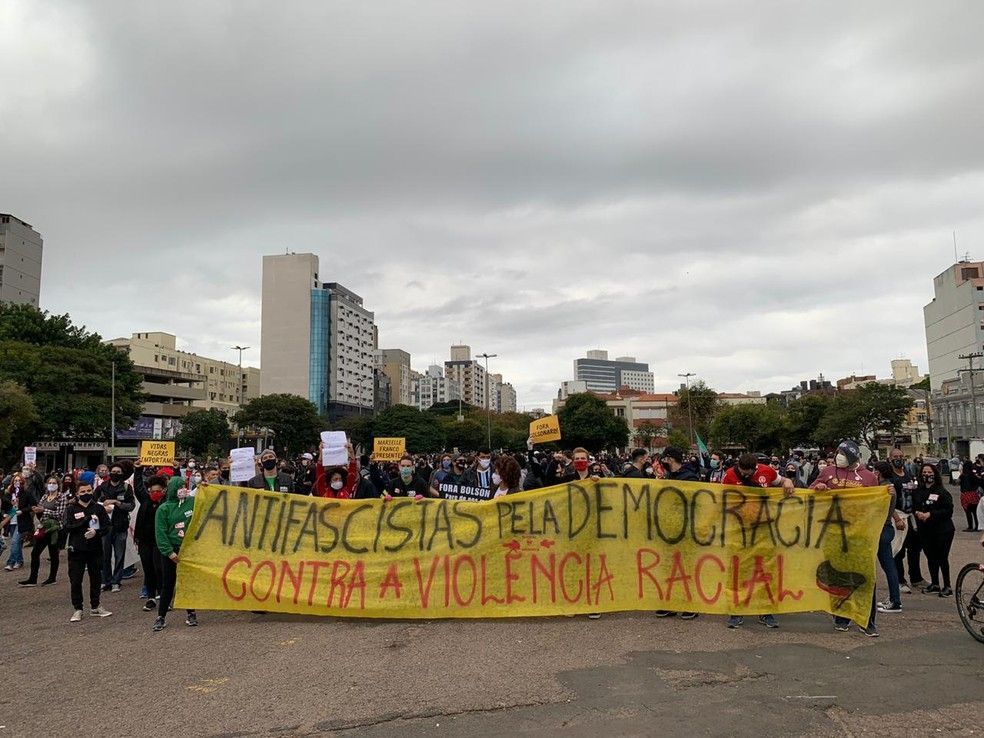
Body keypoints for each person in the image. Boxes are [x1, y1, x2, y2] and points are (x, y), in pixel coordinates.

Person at [811, 442, 894, 636]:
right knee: (837, 576)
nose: (838, 456)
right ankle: (841, 616)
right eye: (837, 453)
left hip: (860, 535)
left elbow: (877, 505)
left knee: (865, 576)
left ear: (852, 456)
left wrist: (888, 496)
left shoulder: (869, 477)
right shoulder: (828, 472)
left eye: (842, 453)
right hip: (833, 533)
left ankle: (867, 620)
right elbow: (811, 489)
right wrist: (819, 486)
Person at [721, 453, 796, 629]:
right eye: (743, 472)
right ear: (738, 467)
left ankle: (765, 611)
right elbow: (722, 500)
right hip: (740, 531)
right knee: (738, 570)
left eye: (749, 473)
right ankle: (736, 610)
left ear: (755, 468)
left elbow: (782, 480)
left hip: (764, 530)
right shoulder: (730, 475)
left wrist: (788, 482)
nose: (746, 475)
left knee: (765, 569)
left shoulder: (767, 471)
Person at [655, 447, 699, 620]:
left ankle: (689, 604)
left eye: (664, 459)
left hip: (685, 529)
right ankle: (670, 603)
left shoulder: (690, 477)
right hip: (669, 529)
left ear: (670, 459)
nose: (661, 462)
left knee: (686, 566)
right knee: (668, 566)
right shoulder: (668, 477)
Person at [153, 476, 198, 631]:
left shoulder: (192, 502)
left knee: (187, 582)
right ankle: (161, 616)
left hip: (188, 550)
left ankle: (191, 612)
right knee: (168, 583)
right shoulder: (164, 509)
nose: (182, 489)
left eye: (184, 486)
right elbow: (160, 533)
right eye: (178, 487)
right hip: (171, 552)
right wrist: (169, 552)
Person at [64, 480, 113, 622]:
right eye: (83, 492)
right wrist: (84, 521)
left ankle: (95, 606)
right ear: (77, 494)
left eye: (89, 491)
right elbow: (67, 527)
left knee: (96, 578)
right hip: (77, 549)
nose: (86, 494)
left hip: (95, 549)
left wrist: (96, 533)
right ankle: (78, 608)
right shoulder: (71, 508)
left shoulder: (98, 508)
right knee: (75, 580)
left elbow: (107, 526)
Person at [913, 463, 955, 597]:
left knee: (942, 557)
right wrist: (917, 513)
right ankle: (935, 583)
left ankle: (947, 586)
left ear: (935, 474)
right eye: (924, 472)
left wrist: (931, 514)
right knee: (931, 557)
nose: (927, 475)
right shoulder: (918, 491)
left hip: (943, 530)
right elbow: (914, 505)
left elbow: (948, 510)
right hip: (926, 530)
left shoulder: (941, 491)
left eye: (930, 472)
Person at [18, 474, 69, 586]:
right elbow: (40, 509)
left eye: (54, 483)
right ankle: (32, 578)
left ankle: (52, 578)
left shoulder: (61, 497)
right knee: (35, 553)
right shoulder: (44, 497)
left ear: (58, 485)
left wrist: (44, 510)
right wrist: (37, 510)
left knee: (53, 554)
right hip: (44, 527)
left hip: (55, 529)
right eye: (49, 483)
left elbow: (60, 514)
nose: (51, 485)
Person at [94, 462, 136, 592]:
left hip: (120, 525)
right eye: (113, 471)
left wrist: (117, 503)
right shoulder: (102, 487)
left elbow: (131, 506)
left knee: (119, 555)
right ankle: (105, 580)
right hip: (105, 527)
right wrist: (102, 509)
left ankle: (116, 581)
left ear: (122, 474)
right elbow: (93, 503)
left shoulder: (126, 487)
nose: (115, 474)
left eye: (118, 472)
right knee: (105, 555)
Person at [888, 447, 923, 594]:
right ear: (890, 459)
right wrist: (896, 518)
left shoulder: (908, 474)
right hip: (898, 516)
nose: (898, 459)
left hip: (911, 516)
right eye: (895, 456)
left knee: (914, 549)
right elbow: (889, 500)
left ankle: (916, 578)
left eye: (900, 456)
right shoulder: (889, 477)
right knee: (898, 550)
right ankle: (900, 580)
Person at [132, 462, 167, 612]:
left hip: (160, 542)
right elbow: (138, 486)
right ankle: (151, 597)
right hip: (145, 541)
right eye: (152, 491)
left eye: (158, 491)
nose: (155, 493)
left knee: (160, 569)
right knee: (148, 569)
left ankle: (163, 596)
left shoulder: (166, 503)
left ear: (164, 491)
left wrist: (177, 469)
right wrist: (138, 469)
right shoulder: (145, 500)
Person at [3, 473, 35, 571]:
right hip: (11, 520)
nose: (17, 482)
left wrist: (22, 511)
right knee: (17, 543)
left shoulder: (26, 493)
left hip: (22, 521)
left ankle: (10, 562)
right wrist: (5, 513)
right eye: (15, 481)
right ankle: (19, 560)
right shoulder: (8, 493)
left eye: (19, 481)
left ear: (22, 482)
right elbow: (4, 506)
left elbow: (33, 505)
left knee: (14, 541)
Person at [958, 460, 981, 532]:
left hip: (965, 495)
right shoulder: (973, 475)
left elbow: (957, 482)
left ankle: (970, 526)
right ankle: (977, 526)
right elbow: (978, 482)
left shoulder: (962, 475)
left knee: (967, 511)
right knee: (975, 512)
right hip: (973, 494)